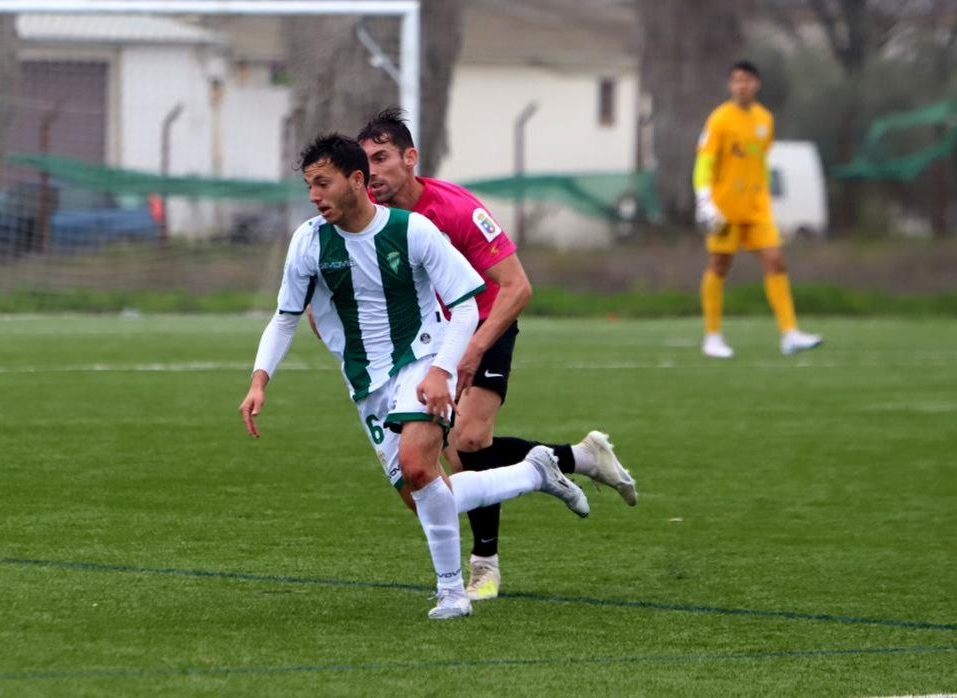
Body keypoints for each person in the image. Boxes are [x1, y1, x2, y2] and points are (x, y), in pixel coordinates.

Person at [238, 133, 590, 620]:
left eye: (323, 183)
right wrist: (260, 380)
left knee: (420, 467)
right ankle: (534, 471)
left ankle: (452, 594)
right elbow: (285, 318)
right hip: (366, 383)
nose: (314, 196)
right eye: (309, 187)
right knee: (425, 495)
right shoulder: (308, 242)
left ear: (355, 181)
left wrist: (442, 371)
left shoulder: (413, 231)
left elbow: (466, 306)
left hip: (421, 359)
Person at [355, 108, 637, 602]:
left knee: (467, 437)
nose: (372, 172)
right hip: (428, 341)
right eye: (365, 162)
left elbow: (517, 286)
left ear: (410, 158)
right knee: (451, 469)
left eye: (381, 158)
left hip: (485, 322)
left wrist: (474, 349)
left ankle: (483, 566)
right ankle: (578, 458)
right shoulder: (370, 219)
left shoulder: (457, 211)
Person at [694, 60, 823, 359]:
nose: (742, 85)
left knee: (776, 261)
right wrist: (705, 200)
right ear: (730, 85)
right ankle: (712, 337)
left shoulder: (765, 119)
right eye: (737, 80)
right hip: (724, 208)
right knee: (720, 265)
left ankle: (790, 334)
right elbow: (704, 162)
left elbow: (760, 162)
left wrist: (763, 194)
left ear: (757, 84)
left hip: (757, 208)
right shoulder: (719, 120)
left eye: (748, 80)